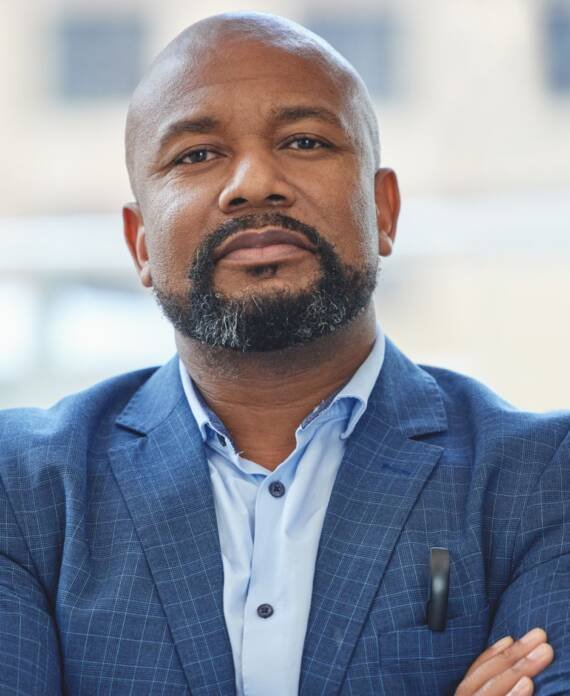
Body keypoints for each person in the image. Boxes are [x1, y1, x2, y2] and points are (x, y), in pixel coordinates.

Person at [0, 11, 568, 696]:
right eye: (197, 155)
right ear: (140, 244)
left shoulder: (542, 476)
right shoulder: (23, 487)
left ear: (383, 210)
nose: (253, 182)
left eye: (303, 140)